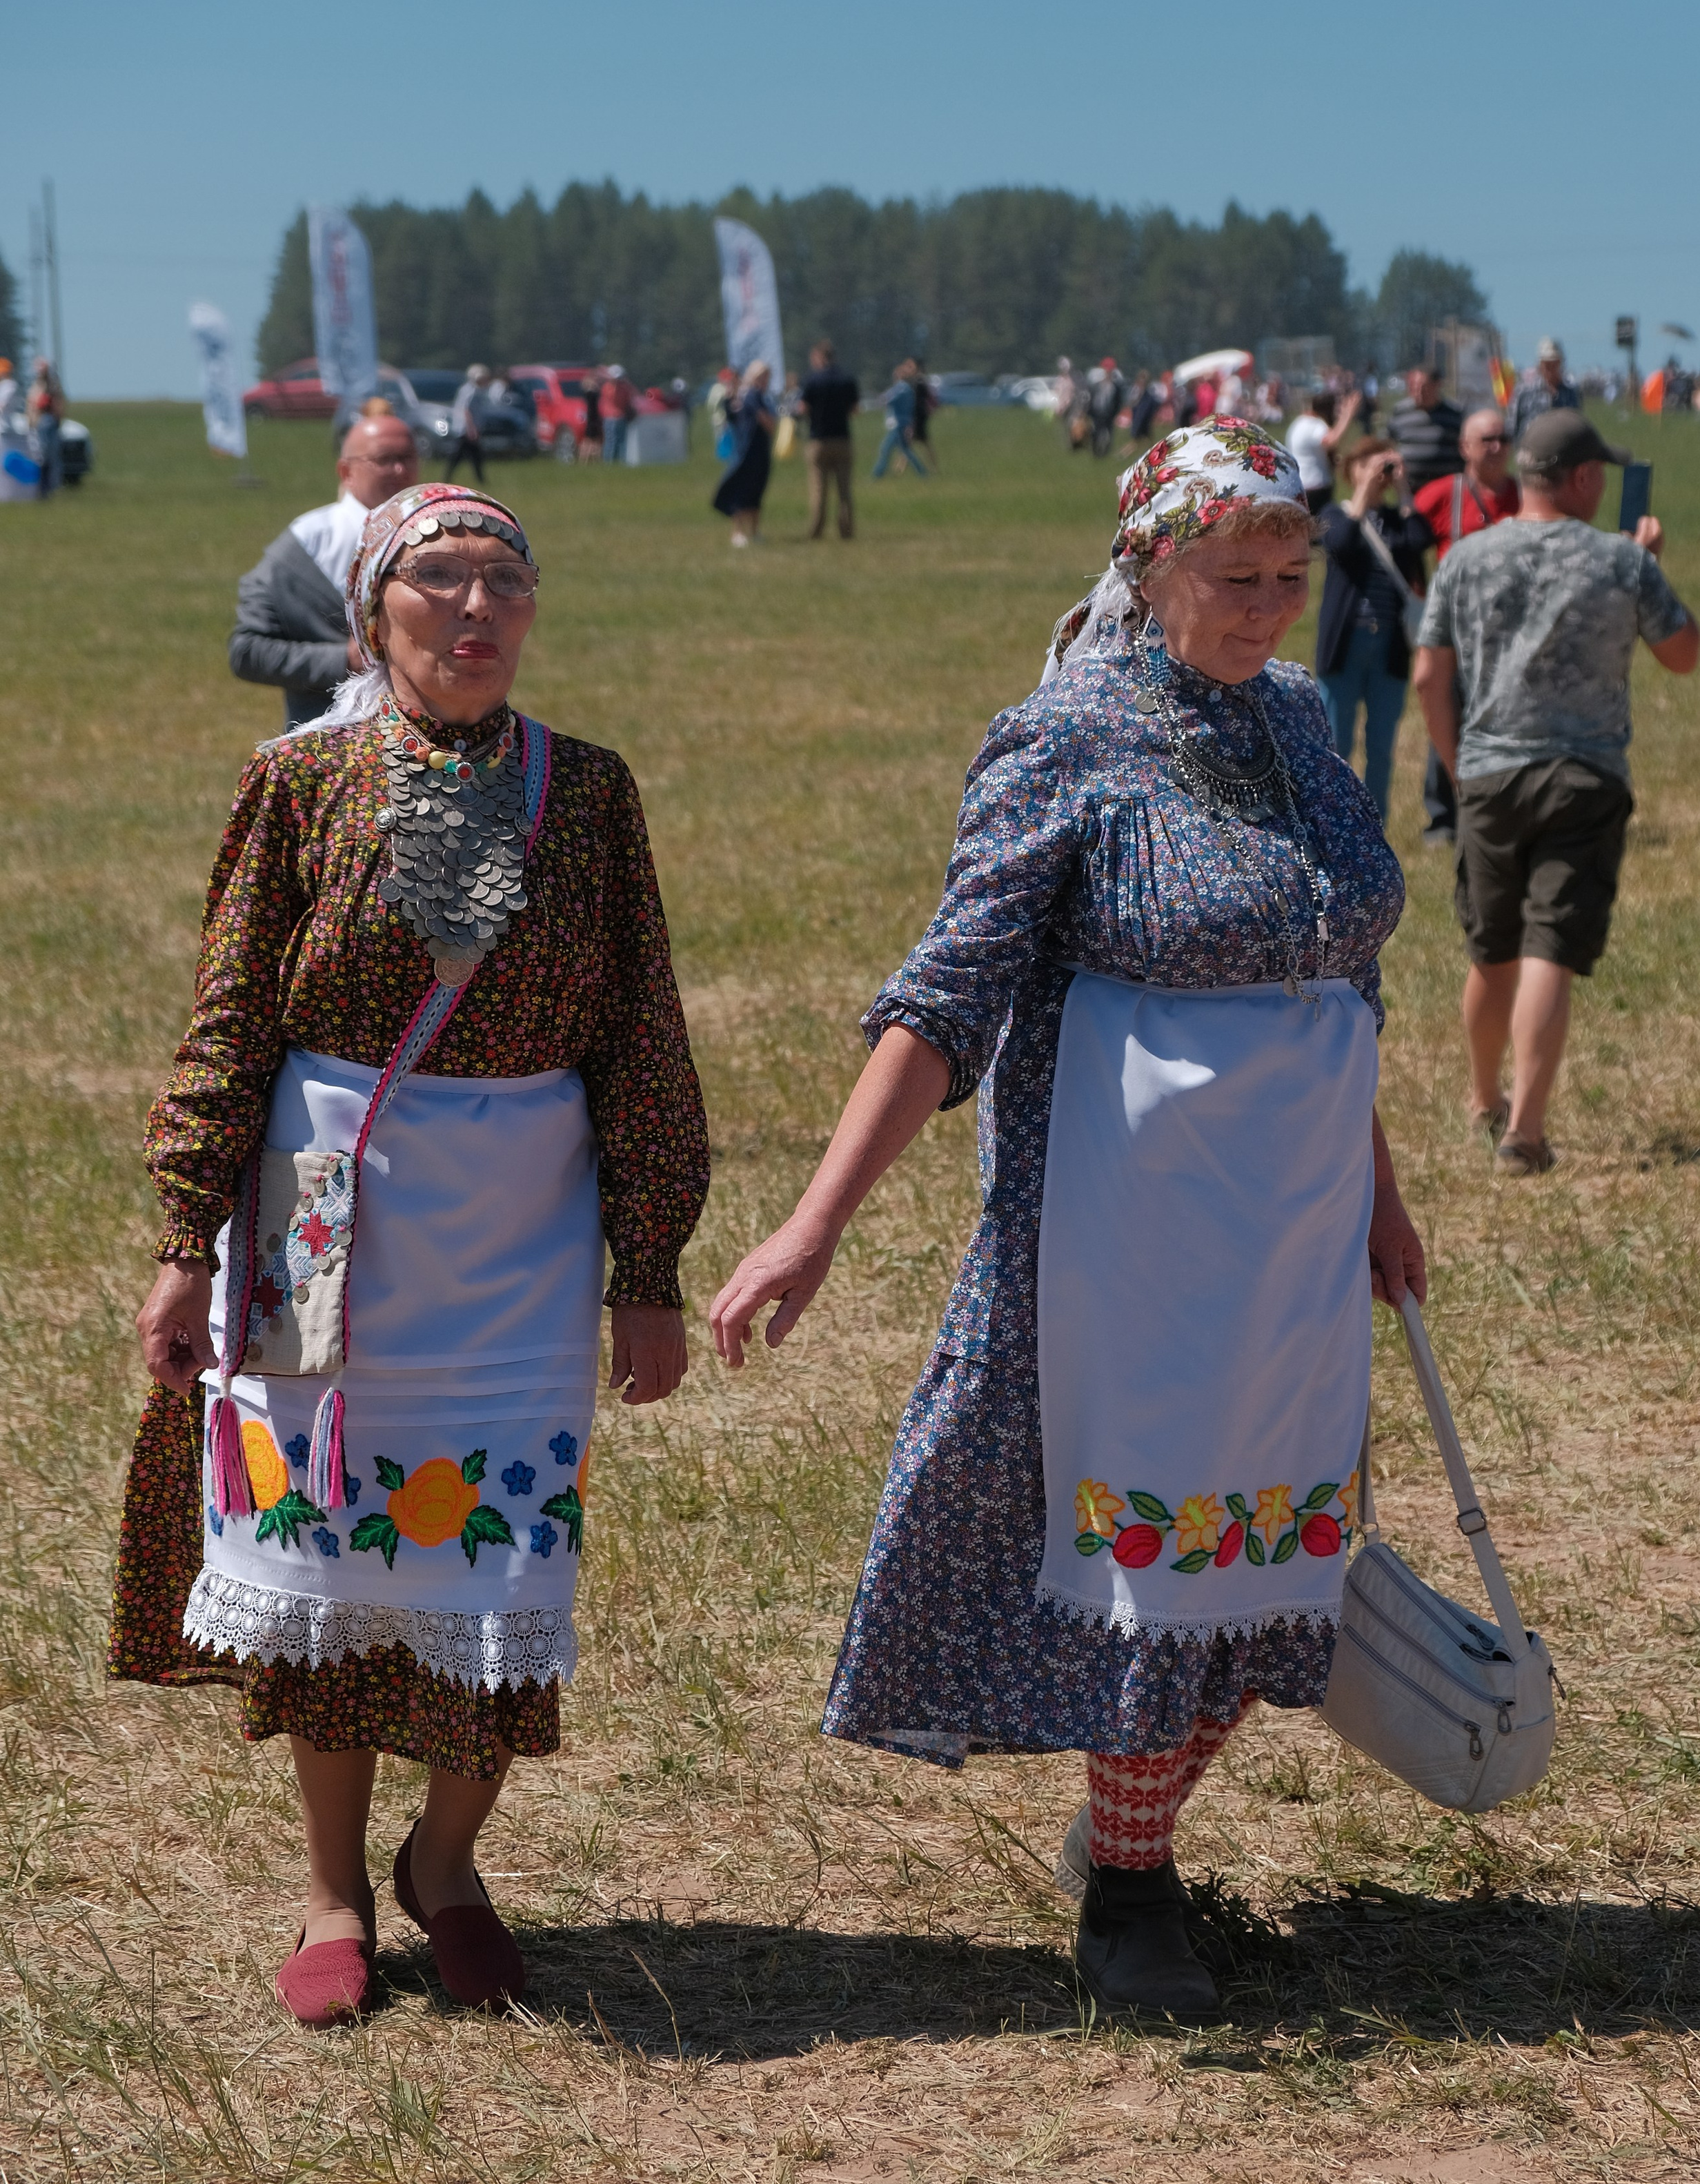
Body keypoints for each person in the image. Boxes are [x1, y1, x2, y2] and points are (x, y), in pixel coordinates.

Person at [710, 420, 1421, 2020]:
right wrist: (814, 1222)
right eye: (1233, 576)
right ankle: (1131, 1886)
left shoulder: (1297, 717)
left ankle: (1127, 1830)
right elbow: (943, 998)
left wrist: (1379, 1193)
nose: (1267, 607)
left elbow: (1337, 976)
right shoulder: (1062, 736)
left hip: (1294, 1221)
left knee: (1274, 1538)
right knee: (1154, 1531)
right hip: (1130, 1229)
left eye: (1289, 576)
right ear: (1146, 565)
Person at [115, 481, 708, 2027]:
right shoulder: (298, 781)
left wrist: (648, 1266)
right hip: (321, 1211)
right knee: (322, 1548)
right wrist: (187, 1238)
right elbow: (230, 1017)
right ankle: (332, 1888)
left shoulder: (589, 792)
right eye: (438, 577)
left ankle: (445, 1863)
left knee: (498, 1553)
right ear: (373, 611)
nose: (475, 607)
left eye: (503, 579)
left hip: (523, 1230)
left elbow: (642, 1030)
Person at [1413, 411, 1699, 1177]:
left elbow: (1428, 675)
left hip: (1489, 774)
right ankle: (1526, 1135)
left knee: (1491, 948)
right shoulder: (1621, 561)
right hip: (1584, 776)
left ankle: (1483, 1098)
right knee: (1550, 947)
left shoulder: (1466, 557)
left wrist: (1460, 768)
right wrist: (1649, 567)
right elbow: (1683, 654)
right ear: (1581, 478)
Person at [229, 413, 422, 729]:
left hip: (428, 740)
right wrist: (343, 660)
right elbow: (247, 652)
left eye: (407, 457)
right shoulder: (304, 547)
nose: (400, 470)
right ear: (346, 472)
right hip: (327, 739)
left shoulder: (439, 533)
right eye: (385, 460)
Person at [1411, 413, 1522, 845]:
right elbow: (1406, 541)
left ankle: (1508, 806)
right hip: (1455, 632)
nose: (1497, 447)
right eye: (1487, 439)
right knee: (1448, 714)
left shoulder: (1525, 496)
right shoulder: (1443, 495)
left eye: (1504, 438)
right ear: (1465, 447)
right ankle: (1443, 817)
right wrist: (1420, 592)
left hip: (1513, 631)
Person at [1313, 438, 1431, 825]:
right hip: (1346, 644)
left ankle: (1374, 827)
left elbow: (1419, 540)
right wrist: (1363, 493)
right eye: (1365, 464)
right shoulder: (1335, 513)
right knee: (1337, 743)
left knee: (1381, 746)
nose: (1376, 473)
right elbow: (1342, 542)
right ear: (1351, 472)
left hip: (1389, 646)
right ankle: (1334, 823)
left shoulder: (1399, 519)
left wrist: (1404, 491)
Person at [711, 360, 776, 544]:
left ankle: (753, 532)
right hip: (747, 451)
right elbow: (767, 422)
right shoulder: (752, 395)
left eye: (767, 377)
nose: (765, 381)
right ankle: (739, 532)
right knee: (742, 492)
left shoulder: (756, 396)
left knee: (756, 492)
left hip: (758, 450)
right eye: (762, 377)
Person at [801, 341, 860, 540]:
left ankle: (817, 530)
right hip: (842, 439)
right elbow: (855, 410)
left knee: (819, 490)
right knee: (845, 491)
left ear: (819, 357)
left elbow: (803, 408)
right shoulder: (847, 379)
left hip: (818, 440)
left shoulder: (812, 380)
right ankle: (846, 530)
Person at [1387, 365, 1463, 495]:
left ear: (1437, 385)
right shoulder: (1400, 412)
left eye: (1423, 387)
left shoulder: (1454, 414)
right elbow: (1389, 443)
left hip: (1446, 491)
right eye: (1413, 387)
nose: (1418, 391)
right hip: (1411, 491)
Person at [1285, 385, 1356, 513]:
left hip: (1300, 485)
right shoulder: (1316, 425)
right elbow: (1332, 440)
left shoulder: (1298, 423)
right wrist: (1347, 415)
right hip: (1317, 486)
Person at [1509, 337, 1581, 439]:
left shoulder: (1572, 393)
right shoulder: (1524, 392)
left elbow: (1578, 424)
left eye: (1555, 364)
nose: (1551, 368)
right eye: (1547, 364)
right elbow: (1512, 425)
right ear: (1540, 365)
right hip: (1531, 445)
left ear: (1561, 363)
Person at [872, 362, 927, 479]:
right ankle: (923, 473)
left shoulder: (901, 388)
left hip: (898, 424)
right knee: (906, 451)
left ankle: (877, 475)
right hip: (904, 423)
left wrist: (881, 399)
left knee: (885, 449)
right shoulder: (908, 389)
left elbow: (888, 400)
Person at [446, 366, 490, 481]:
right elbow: (466, 410)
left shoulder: (468, 389)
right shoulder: (472, 391)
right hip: (465, 429)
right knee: (461, 455)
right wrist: (471, 428)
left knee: (472, 455)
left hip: (465, 428)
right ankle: (448, 478)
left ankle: (480, 479)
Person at [28, 360, 64, 498]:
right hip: (40, 421)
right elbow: (34, 404)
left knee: (50, 456)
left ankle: (48, 488)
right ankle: (42, 488)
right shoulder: (37, 385)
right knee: (42, 456)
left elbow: (57, 403)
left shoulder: (52, 385)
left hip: (48, 421)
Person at [1088, 357, 1125, 458]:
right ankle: (1096, 451)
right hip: (1097, 412)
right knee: (1095, 431)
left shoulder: (1115, 387)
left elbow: (1118, 401)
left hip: (1109, 413)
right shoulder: (1097, 385)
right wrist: (1090, 411)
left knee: (1108, 433)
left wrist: (1115, 412)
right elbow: (1092, 399)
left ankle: (1105, 451)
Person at [598, 364, 634, 464]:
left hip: (615, 418)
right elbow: (628, 399)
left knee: (617, 442)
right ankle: (612, 462)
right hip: (613, 417)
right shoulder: (614, 388)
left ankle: (614, 462)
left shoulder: (608, 387)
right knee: (614, 442)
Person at [909, 362, 940, 470]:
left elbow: (921, 399)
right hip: (922, 414)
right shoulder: (922, 382)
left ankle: (900, 468)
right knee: (914, 441)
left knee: (912, 442)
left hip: (918, 415)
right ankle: (900, 468)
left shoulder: (919, 382)